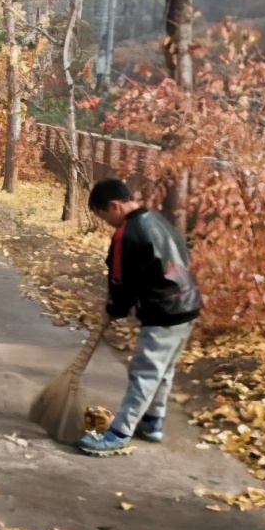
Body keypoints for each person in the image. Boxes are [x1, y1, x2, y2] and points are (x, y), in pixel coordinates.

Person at [77, 178, 203, 457]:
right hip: (189, 303)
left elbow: (119, 281)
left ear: (114, 206)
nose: (107, 222)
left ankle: (119, 433)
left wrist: (115, 309)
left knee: (144, 372)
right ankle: (153, 422)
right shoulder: (159, 220)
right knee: (163, 368)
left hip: (165, 309)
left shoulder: (127, 233)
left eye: (103, 216)